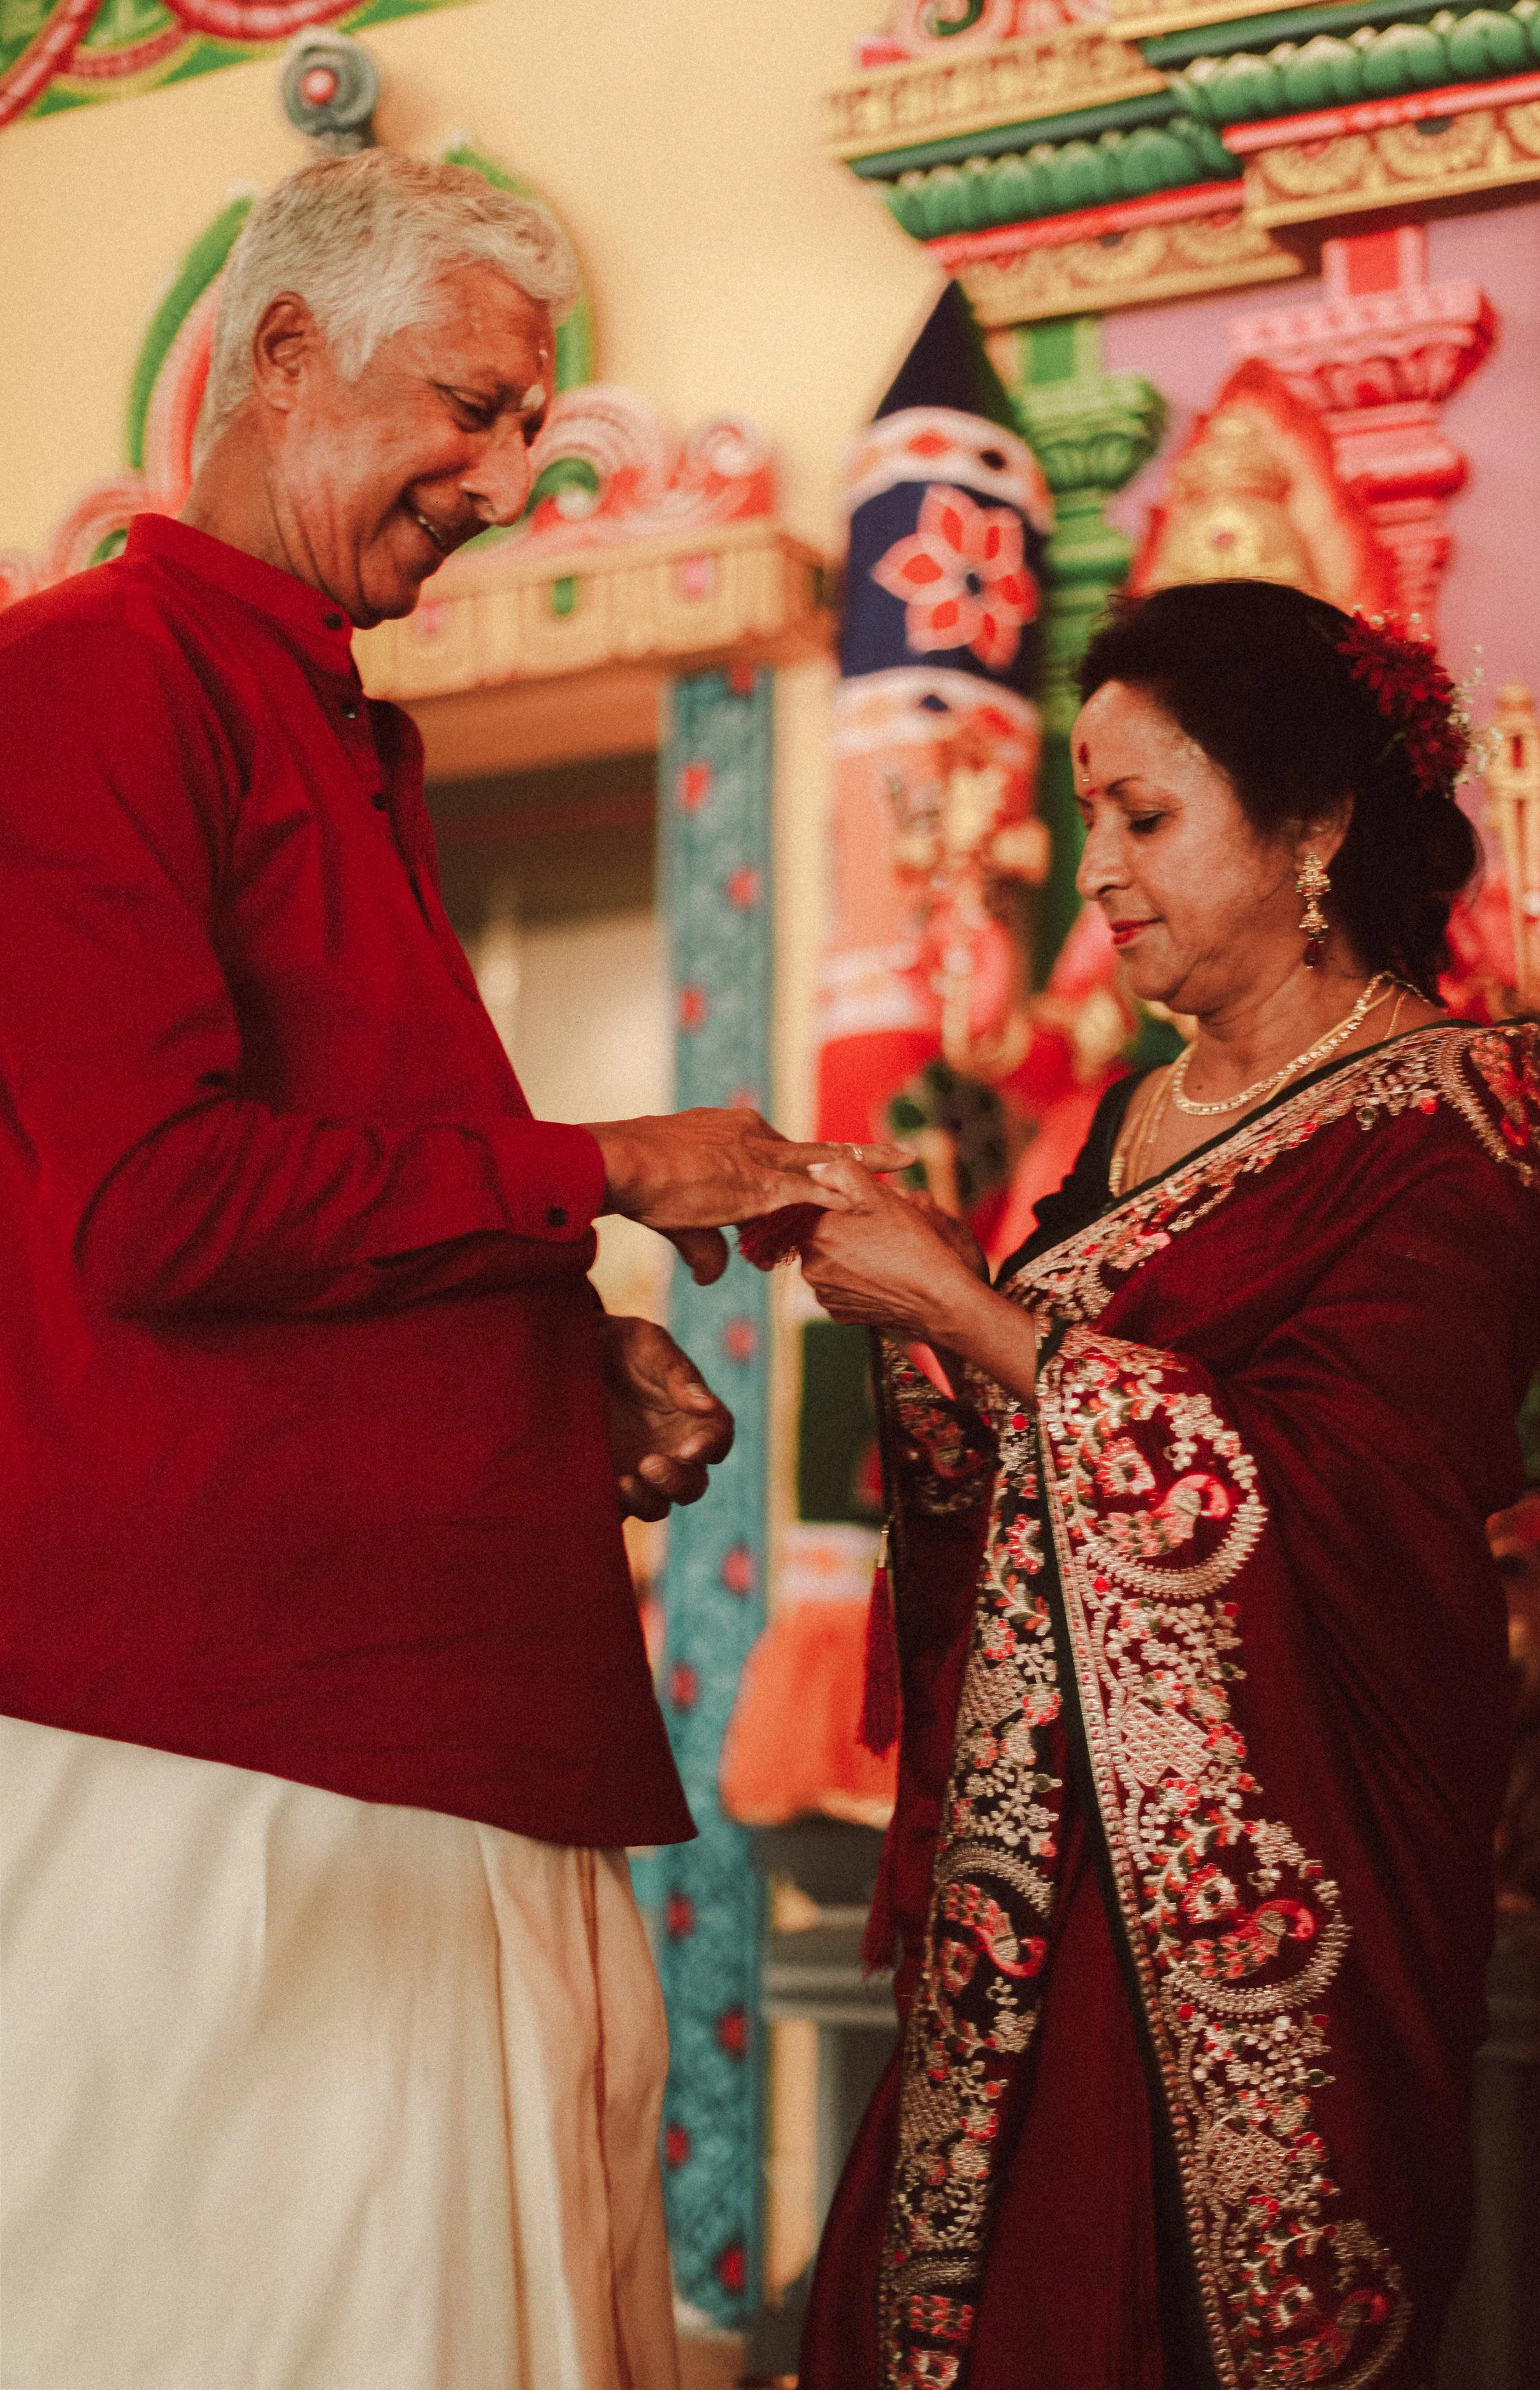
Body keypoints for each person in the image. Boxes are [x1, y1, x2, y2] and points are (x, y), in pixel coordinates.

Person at [0, 150, 903, 2390]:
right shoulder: (91, 677)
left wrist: (549, 1350)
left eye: (532, 429)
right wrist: (608, 1164)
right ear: (288, 352)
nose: (506, 479)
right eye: (473, 409)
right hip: (235, 1744)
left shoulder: (328, 719)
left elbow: (329, 1188)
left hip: (423, 1717)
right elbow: (153, 1202)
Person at [786, 580, 1540, 2390]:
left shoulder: (1445, 1126)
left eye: (1144, 816)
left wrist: (969, 1315)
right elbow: (1038, 1461)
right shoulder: (1136, 1116)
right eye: (1092, 820)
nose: (1100, 873)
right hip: (1034, 1893)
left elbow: (1337, 1502)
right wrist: (921, 1299)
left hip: (1267, 1883)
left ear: (1313, 827)